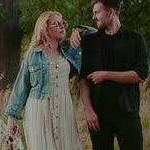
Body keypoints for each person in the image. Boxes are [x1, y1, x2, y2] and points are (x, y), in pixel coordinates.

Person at [5, 11, 96, 150]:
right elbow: (21, 87)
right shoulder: (33, 55)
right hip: (39, 111)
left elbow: (94, 32)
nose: (62, 26)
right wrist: (12, 118)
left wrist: (78, 30)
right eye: (56, 23)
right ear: (45, 29)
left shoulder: (70, 49)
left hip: (64, 108)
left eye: (62, 23)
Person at [70, 0, 149, 150]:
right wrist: (89, 110)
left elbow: (140, 75)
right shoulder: (89, 42)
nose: (94, 17)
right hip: (98, 116)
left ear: (111, 12)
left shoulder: (135, 39)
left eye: (97, 12)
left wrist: (105, 74)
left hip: (127, 113)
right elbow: (83, 79)